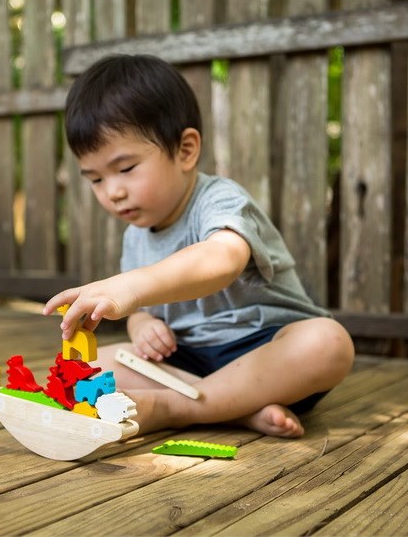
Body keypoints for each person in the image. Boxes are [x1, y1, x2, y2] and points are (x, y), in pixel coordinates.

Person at [43, 54, 355, 437]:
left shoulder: (218, 199)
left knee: (328, 342)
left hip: (265, 353)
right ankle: (231, 409)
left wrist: (131, 287)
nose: (113, 192)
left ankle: (175, 408)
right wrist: (142, 324)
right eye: (95, 180)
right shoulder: (135, 234)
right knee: (80, 367)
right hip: (187, 361)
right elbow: (144, 310)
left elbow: (222, 259)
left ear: (186, 150)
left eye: (125, 169)